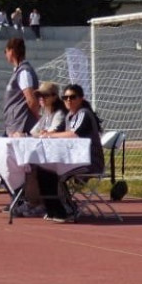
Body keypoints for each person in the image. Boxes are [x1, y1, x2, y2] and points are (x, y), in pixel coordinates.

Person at [35, 83, 105, 223]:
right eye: (65, 97)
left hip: (90, 161)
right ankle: (54, 209)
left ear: (81, 98)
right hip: (74, 159)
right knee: (44, 170)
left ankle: (68, 209)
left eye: (72, 97)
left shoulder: (84, 114)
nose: (68, 100)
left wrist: (50, 136)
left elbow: (74, 134)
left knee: (56, 174)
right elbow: (58, 132)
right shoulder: (69, 116)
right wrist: (47, 133)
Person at [2, 37, 40, 136]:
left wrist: (39, 120)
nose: (5, 55)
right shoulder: (19, 71)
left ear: (12, 51)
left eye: (5, 51)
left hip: (21, 126)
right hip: (14, 125)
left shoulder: (24, 72)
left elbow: (31, 100)